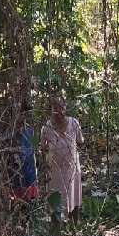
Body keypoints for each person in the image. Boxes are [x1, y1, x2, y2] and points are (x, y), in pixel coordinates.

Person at [40, 93, 84, 223]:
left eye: (60, 107)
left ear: (65, 108)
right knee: (55, 199)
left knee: (74, 197)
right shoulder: (46, 128)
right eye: (54, 108)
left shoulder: (73, 124)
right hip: (54, 171)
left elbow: (80, 141)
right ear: (50, 110)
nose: (57, 111)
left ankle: (74, 226)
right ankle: (56, 230)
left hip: (72, 169)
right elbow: (43, 148)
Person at [10, 106, 38, 204]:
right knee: (16, 205)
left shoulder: (30, 132)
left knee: (30, 206)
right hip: (15, 179)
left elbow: (34, 153)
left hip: (29, 177)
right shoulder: (10, 135)